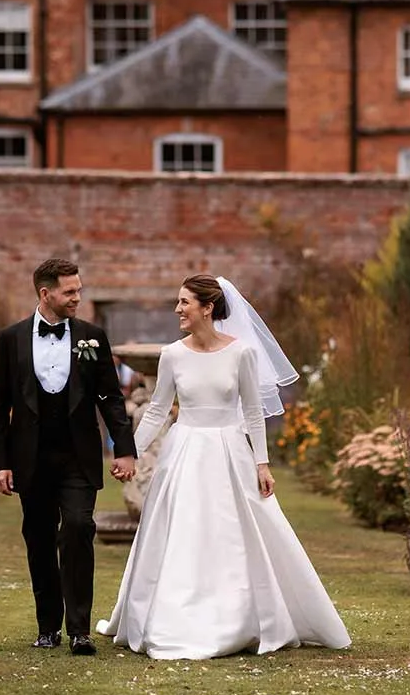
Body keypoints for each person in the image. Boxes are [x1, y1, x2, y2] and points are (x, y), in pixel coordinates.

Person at [95, 274, 351, 659]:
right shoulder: (173, 355)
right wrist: (128, 452)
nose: (177, 309)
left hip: (230, 451)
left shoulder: (241, 353)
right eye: (178, 302)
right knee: (182, 531)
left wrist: (262, 464)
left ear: (207, 308)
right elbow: (158, 412)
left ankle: (242, 615)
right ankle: (174, 613)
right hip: (184, 453)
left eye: (184, 302)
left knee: (236, 532)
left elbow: (252, 412)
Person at [0, 257, 137, 656]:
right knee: (38, 539)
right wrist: (0, 462)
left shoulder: (92, 336)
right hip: (29, 458)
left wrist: (124, 449)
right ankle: (48, 627)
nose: (77, 298)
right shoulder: (10, 338)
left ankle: (80, 630)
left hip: (78, 457)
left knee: (76, 527)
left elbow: (110, 396)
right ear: (45, 293)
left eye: (79, 290)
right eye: (70, 292)